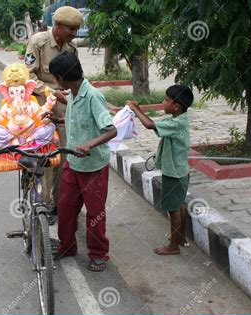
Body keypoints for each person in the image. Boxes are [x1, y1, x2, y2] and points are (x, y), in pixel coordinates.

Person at [47, 51, 117, 272]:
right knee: (66, 208)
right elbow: (78, 117)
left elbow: (111, 129)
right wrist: (58, 118)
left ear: (61, 77)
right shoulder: (75, 94)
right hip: (73, 163)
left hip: (93, 166)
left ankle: (98, 254)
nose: (55, 82)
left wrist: (89, 144)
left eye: (55, 77)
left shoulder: (93, 96)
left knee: (95, 214)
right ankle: (67, 246)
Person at [25, 6, 84, 225]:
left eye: (76, 30)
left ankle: (62, 204)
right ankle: (45, 204)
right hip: (43, 111)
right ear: (58, 26)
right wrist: (51, 92)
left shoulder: (71, 47)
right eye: (71, 29)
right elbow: (27, 77)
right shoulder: (38, 42)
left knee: (63, 157)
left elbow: (78, 76)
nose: (74, 34)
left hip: (65, 110)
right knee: (46, 158)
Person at [126, 85, 194, 255]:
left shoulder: (176, 123)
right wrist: (138, 109)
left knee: (173, 209)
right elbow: (153, 124)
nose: (163, 103)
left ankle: (173, 247)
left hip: (173, 173)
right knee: (180, 205)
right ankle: (180, 238)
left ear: (176, 106)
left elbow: (149, 125)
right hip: (181, 172)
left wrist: (135, 108)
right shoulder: (180, 119)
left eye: (166, 100)